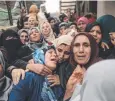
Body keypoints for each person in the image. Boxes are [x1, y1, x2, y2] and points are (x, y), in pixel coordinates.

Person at [64, 32, 102, 101]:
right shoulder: (65, 70)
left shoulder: (103, 71)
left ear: (93, 49)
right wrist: (68, 92)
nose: (81, 50)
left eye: (86, 45)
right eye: (77, 45)